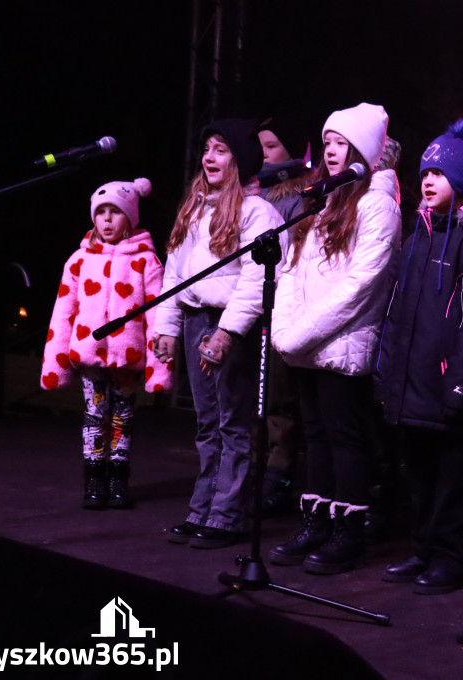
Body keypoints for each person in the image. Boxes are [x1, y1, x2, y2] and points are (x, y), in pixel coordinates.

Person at [376, 120, 463, 595]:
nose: (429, 181)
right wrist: (389, 374)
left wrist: (460, 383)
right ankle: (425, 549)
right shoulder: (418, 238)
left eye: (441, 173)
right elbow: (398, 312)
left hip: (450, 387)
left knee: (457, 477)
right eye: (425, 173)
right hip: (411, 383)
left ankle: (453, 559)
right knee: (421, 472)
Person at [269, 103, 401, 575]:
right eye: (326, 141)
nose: (329, 150)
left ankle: (350, 531)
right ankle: (316, 521)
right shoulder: (322, 198)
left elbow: (360, 284)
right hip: (306, 342)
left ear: (363, 149)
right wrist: (288, 329)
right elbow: (291, 269)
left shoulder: (377, 203)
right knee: (317, 434)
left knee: (346, 437)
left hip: (343, 341)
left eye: (341, 142)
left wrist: (299, 332)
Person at [154, 119, 286, 549]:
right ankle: (202, 511)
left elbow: (256, 279)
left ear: (241, 159)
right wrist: (168, 326)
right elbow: (175, 271)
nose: (210, 158)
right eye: (207, 150)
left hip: (229, 324)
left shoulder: (255, 211)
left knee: (232, 423)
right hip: (194, 319)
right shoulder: (195, 205)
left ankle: (226, 516)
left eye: (221, 150)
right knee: (206, 424)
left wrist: (226, 333)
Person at [41, 178, 170, 510]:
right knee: (94, 414)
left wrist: (160, 368)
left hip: (128, 357)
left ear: (132, 216)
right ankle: (94, 477)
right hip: (89, 354)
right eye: (101, 212)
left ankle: (118, 478)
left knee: (123, 417)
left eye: (116, 212)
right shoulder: (80, 260)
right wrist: (54, 364)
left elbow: (158, 315)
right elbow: (63, 311)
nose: (108, 220)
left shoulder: (146, 260)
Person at [256, 116, 313, 516]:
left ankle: (279, 473)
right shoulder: (244, 191)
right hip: (245, 307)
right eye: (259, 145)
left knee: (278, 398)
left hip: (279, 304)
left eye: (272, 146)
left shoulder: (301, 195)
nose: (263, 154)